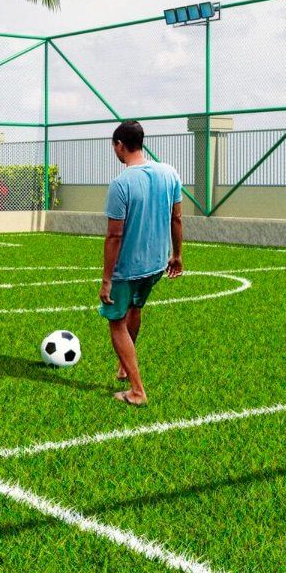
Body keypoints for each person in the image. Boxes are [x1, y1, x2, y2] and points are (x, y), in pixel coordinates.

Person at [99, 120, 183, 406]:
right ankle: (124, 366)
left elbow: (114, 236)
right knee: (135, 308)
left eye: (114, 146)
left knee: (116, 321)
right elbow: (176, 218)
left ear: (119, 145)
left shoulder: (121, 184)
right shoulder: (169, 173)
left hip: (128, 268)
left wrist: (107, 280)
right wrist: (177, 255)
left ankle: (137, 390)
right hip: (157, 264)